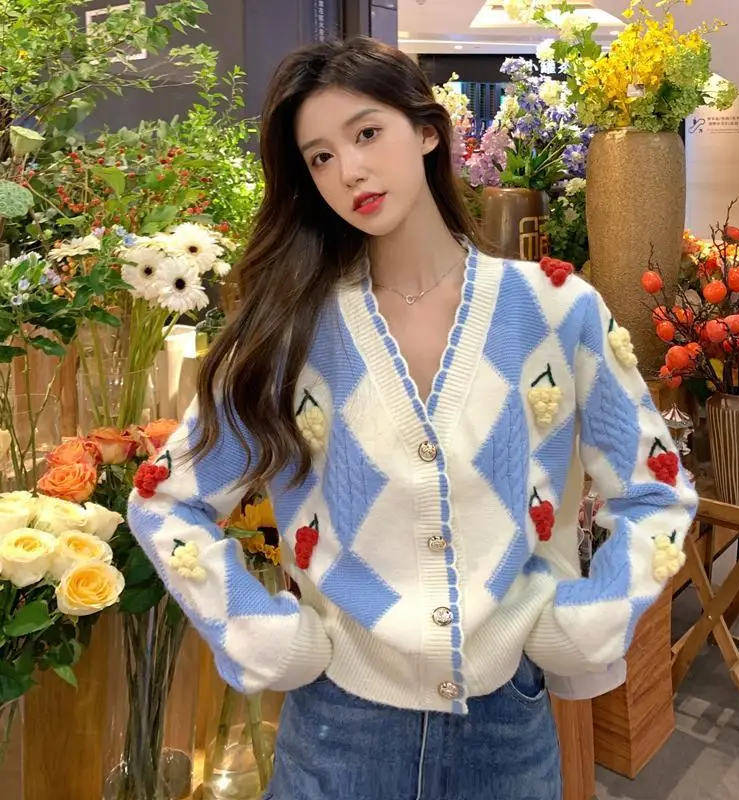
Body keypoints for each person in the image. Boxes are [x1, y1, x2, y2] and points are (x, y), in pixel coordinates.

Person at [128, 36, 698, 800]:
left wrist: (589, 618)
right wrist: (261, 632)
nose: (349, 170)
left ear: (427, 131)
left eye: (367, 133)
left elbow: (656, 489)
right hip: (336, 732)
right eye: (321, 157)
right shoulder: (290, 331)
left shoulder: (557, 310)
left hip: (506, 731)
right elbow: (165, 498)